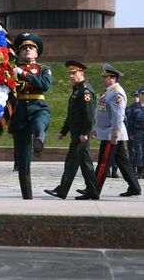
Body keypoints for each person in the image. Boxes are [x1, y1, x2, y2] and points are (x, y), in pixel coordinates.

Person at [44, 61, 99, 200]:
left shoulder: (85, 91)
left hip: (80, 134)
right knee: (85, 164)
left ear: (82, 73)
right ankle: (93, 191)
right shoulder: (77, 90)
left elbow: (89, 115)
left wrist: (85, 133)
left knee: (71, 161)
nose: (71, 76)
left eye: (74, 73)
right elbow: (72, 115)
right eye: (70, 73)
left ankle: (62, 190)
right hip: (77, 133)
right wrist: (63, 131)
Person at [9, 32, 52, 199]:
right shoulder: (12, 70)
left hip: (37, 106)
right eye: (24, 48)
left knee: (39, 123)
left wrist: (24, 74)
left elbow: (44, 85)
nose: (27, 50)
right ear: (19, 53)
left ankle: (40, 139)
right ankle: (27, 196)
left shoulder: (43, 69)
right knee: (23, 158)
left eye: (31, 47)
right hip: (19, 112)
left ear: (37, 53)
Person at [93, 64, 141, 197]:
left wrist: (114, 134)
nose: (103, 79)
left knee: (103, 163)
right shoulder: (109, 91)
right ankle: (134, 187)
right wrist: (96, 128)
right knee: (123, 162)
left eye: (106, 77)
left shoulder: (116, 93)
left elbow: (118, 115)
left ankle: (94, 189)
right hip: (108, 132)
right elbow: (103, 113)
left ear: (113, 78)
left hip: (111, 134)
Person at [128, 89, 144, 178]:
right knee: (139, 151)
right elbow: (130, 121)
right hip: (138, 132)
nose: (143, 95)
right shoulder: (134, 107)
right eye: (142, 94)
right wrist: (130, 133)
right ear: (140, 95)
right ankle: (140, 171)